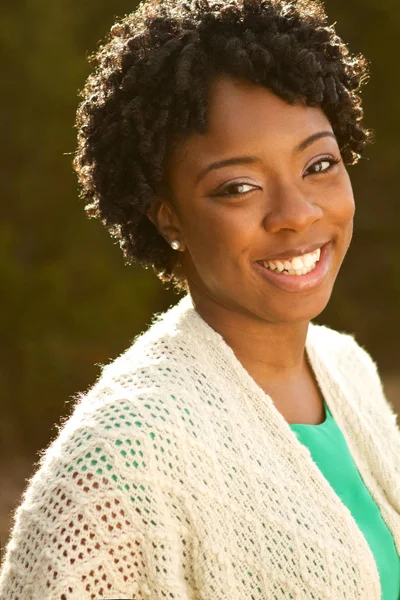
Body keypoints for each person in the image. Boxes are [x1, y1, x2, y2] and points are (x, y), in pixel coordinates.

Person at [0, 0, 399, 598]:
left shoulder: (350, 370)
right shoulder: (121, 460)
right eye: (239, 186)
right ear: (168, 219)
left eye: (319, 164)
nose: (297, 213)